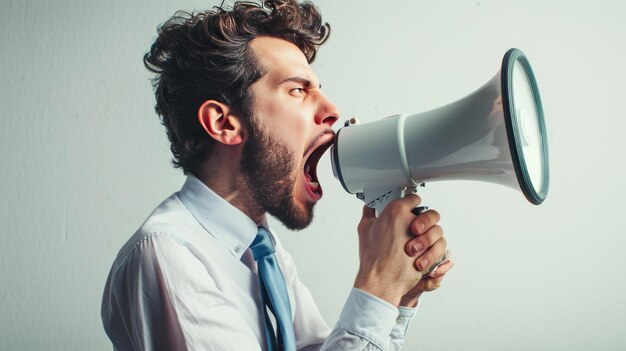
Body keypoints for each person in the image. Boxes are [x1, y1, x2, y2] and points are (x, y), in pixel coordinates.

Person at [101, 0, 453, 350]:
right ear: (224, 123)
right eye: (298, 90)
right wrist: (377, 285)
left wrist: (397, 296)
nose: (332, 110)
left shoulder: (263, 251)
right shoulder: (167, 255)